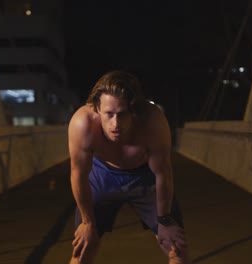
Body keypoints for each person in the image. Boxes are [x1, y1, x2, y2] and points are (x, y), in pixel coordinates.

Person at [68, 70, 190, 264]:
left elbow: (163, 173)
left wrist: (165, 220)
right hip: (102, 175)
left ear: (134, 110)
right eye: (109, 114)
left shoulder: (152, 121)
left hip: (145, 176)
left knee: (176, 246)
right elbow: (78, 175)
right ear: (97, 109)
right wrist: (87, 221)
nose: (115, 124)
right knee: (82, 249)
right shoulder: (82, 124)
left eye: (122, 114)